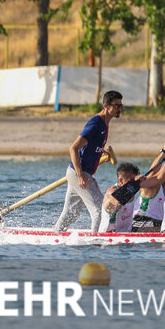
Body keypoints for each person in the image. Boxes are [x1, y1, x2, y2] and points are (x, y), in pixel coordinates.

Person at [55, 89, 123, 231]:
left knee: (70, 215)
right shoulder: (95, 124)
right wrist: (80, 175)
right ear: (106, 106)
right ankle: (95, 243)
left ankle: (56, 235)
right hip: (79, 173)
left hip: (79, 174)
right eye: (116, 106)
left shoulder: (105, 124)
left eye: (121, 106)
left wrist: (100, 151)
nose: (119, 109)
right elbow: (73, 148)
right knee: (100, 209)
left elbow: (90, 146)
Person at [99, 144, 165, 233]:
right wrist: (134, 184)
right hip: (108, 240)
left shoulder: (133, 187)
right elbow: (117, 202)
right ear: (120, 181)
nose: (134, 183)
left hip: (126, 237)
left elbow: (159, 178)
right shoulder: (111, 193)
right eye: (131, 180)